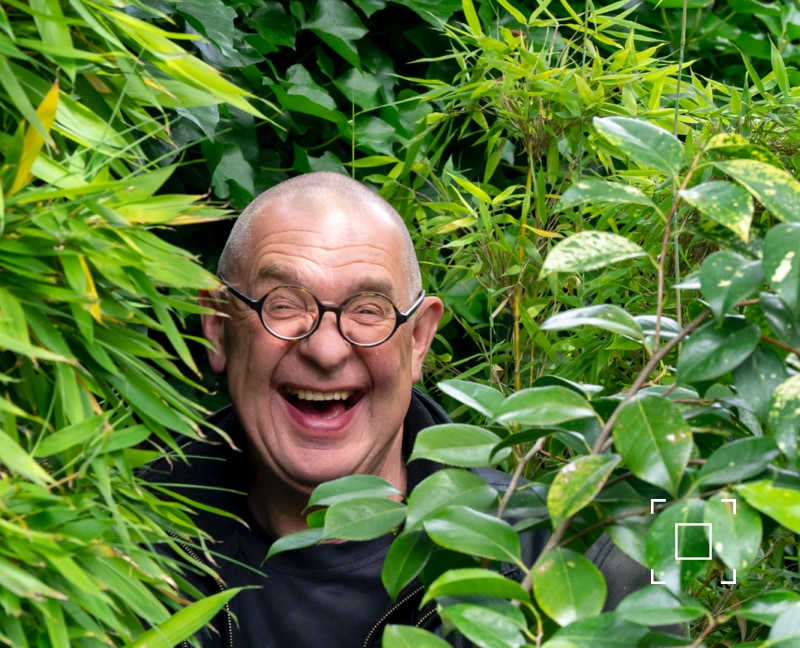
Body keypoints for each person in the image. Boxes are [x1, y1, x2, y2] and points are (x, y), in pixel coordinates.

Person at [147, 171, 649, 647]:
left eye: (368, 309)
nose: (326, 350)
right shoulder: (132, 543)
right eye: (283, 303)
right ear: (217, 325)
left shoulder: (568, 556)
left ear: (419, 339)